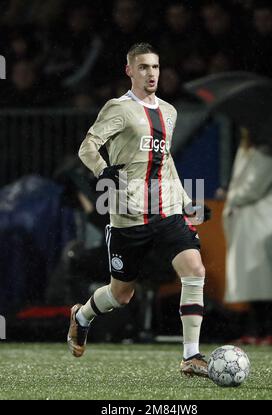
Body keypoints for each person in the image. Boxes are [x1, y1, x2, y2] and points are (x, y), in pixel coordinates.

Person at [67, 43, 208, 377]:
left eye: (155, 67)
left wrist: (187, 202)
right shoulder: (118, 108)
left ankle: (191, 355)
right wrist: (102, 170)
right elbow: (87, 146)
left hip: (166, 210)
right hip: (128, 215)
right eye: (143, 67)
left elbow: (166, 162)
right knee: (121, 294)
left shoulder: (170, 112)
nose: (151, 74)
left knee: (194, 269)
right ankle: (82, 316)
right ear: (129, 70)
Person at [223, 127, 272, 344]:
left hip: (264, 223)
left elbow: (252, 189)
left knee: (266, 280)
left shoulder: (267, 156)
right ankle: (257, 331)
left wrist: (229, 195)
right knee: (253, 280)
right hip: (251, 223)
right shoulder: (250, 153)